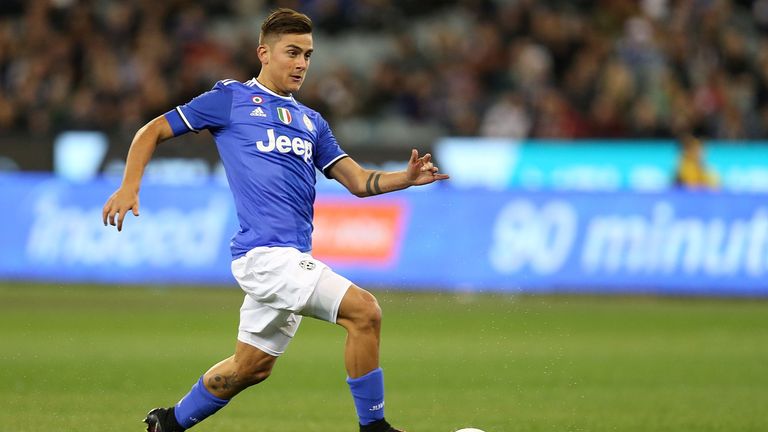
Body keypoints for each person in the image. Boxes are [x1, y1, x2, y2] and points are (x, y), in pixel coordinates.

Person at [101, 8, 448, 432]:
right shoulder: (229, 99)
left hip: (290, 256)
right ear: (263, 53)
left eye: (308, 54)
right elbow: (152, 129)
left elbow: (357, 180)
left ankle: (168, 423)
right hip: (265, 256)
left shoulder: (312, 122)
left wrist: (406, 179)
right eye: (292, 52)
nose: (302, 63)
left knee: (251, 367)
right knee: (365, 312)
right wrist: (129, 186)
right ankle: (374, 429)